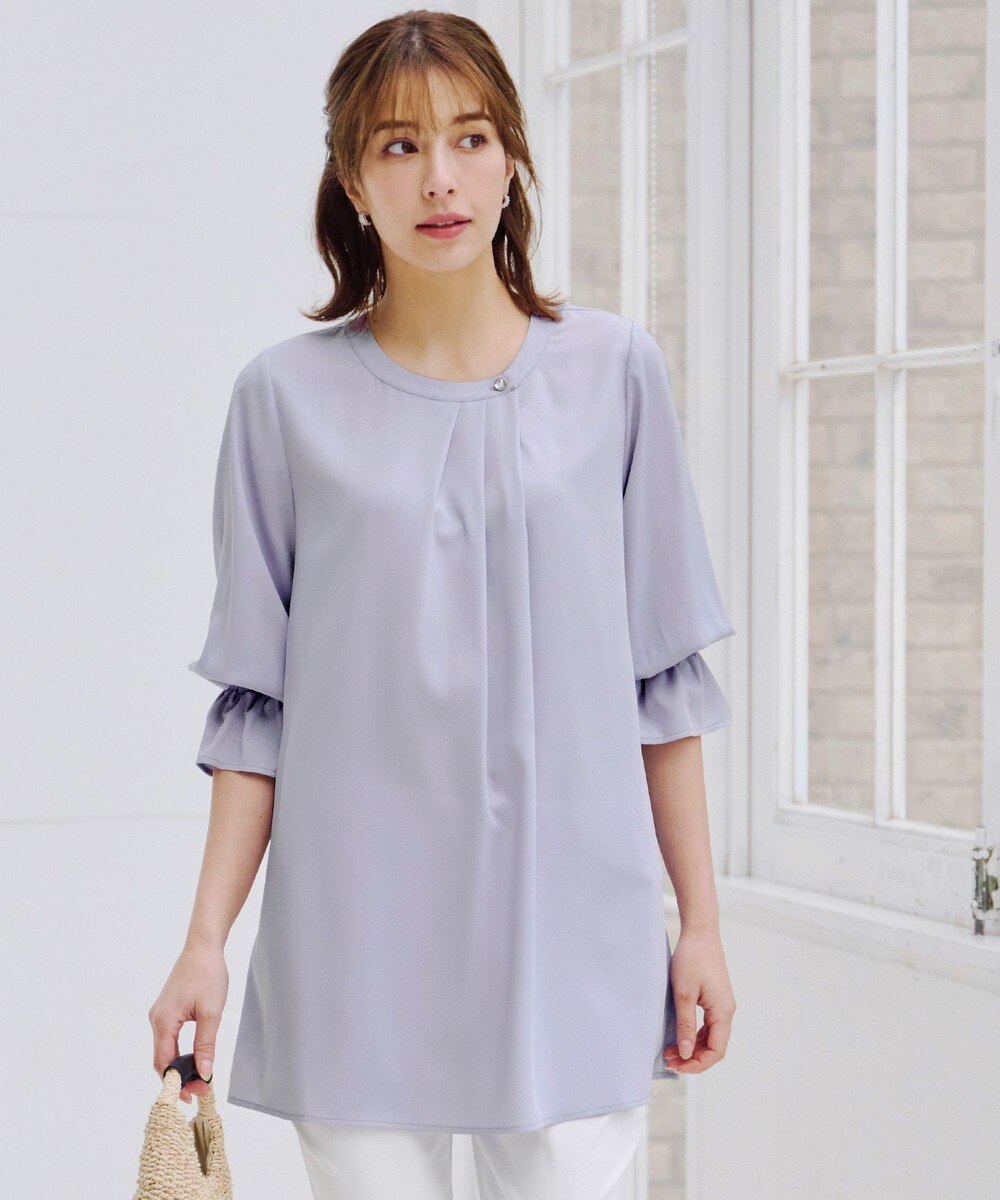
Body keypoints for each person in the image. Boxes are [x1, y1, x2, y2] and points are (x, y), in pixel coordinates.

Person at [147, 9, 738, 1199]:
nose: (439, 179)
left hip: (576, 925)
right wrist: (204, 942)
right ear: (350, 178)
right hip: (358, 932)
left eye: (470, 138)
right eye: (399, 145)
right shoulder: (282, 400)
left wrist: (702, 926)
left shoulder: (616, 373)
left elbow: (660, 682)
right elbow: (256, 709)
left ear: (513, 161)